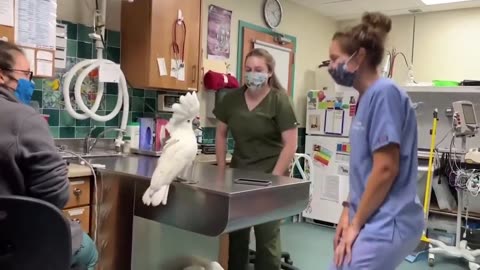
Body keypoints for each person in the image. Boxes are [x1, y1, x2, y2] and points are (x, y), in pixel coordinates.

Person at [326, 12, 424, 270]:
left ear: (359, 57)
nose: (330, 66)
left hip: (390, 219)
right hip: (370, 215)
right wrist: (348, 211)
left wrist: (356, 224)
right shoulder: (365, 98)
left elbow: (385, 169)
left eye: (335, 59)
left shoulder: (384, 93)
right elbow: (365, 168)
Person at [0, 40, 98, 270]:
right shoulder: (24, 119)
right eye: (25, 74)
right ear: (2, 76)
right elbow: (56, 197)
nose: (30, 82)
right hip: (19, 244)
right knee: (88, 251)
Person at [214, 48, 298, 270]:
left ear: (270, 72)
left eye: (259, 70)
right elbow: (221, 134)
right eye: (248, 69)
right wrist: (221, 170)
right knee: (237, 237)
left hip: (270, 176)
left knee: (267, 239)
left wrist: (275, 178)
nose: (253, 74)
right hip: (238, 177)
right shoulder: (230, 99)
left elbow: (291, 143)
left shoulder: (279, 101)